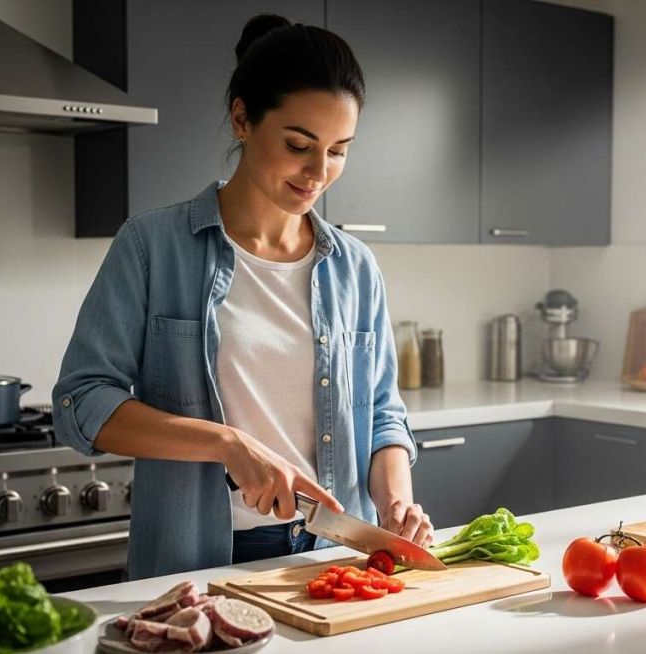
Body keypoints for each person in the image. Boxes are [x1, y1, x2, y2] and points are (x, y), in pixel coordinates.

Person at [52, 13, 432, 580]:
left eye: (338, 150)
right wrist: (226, 444)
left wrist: (395, 501)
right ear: (242, 120)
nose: (318, 172)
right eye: (300, 144)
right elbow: (81, 404)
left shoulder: (355, 267)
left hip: (332, 562)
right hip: (195, 560)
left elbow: (381, 415)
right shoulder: (153, 246)